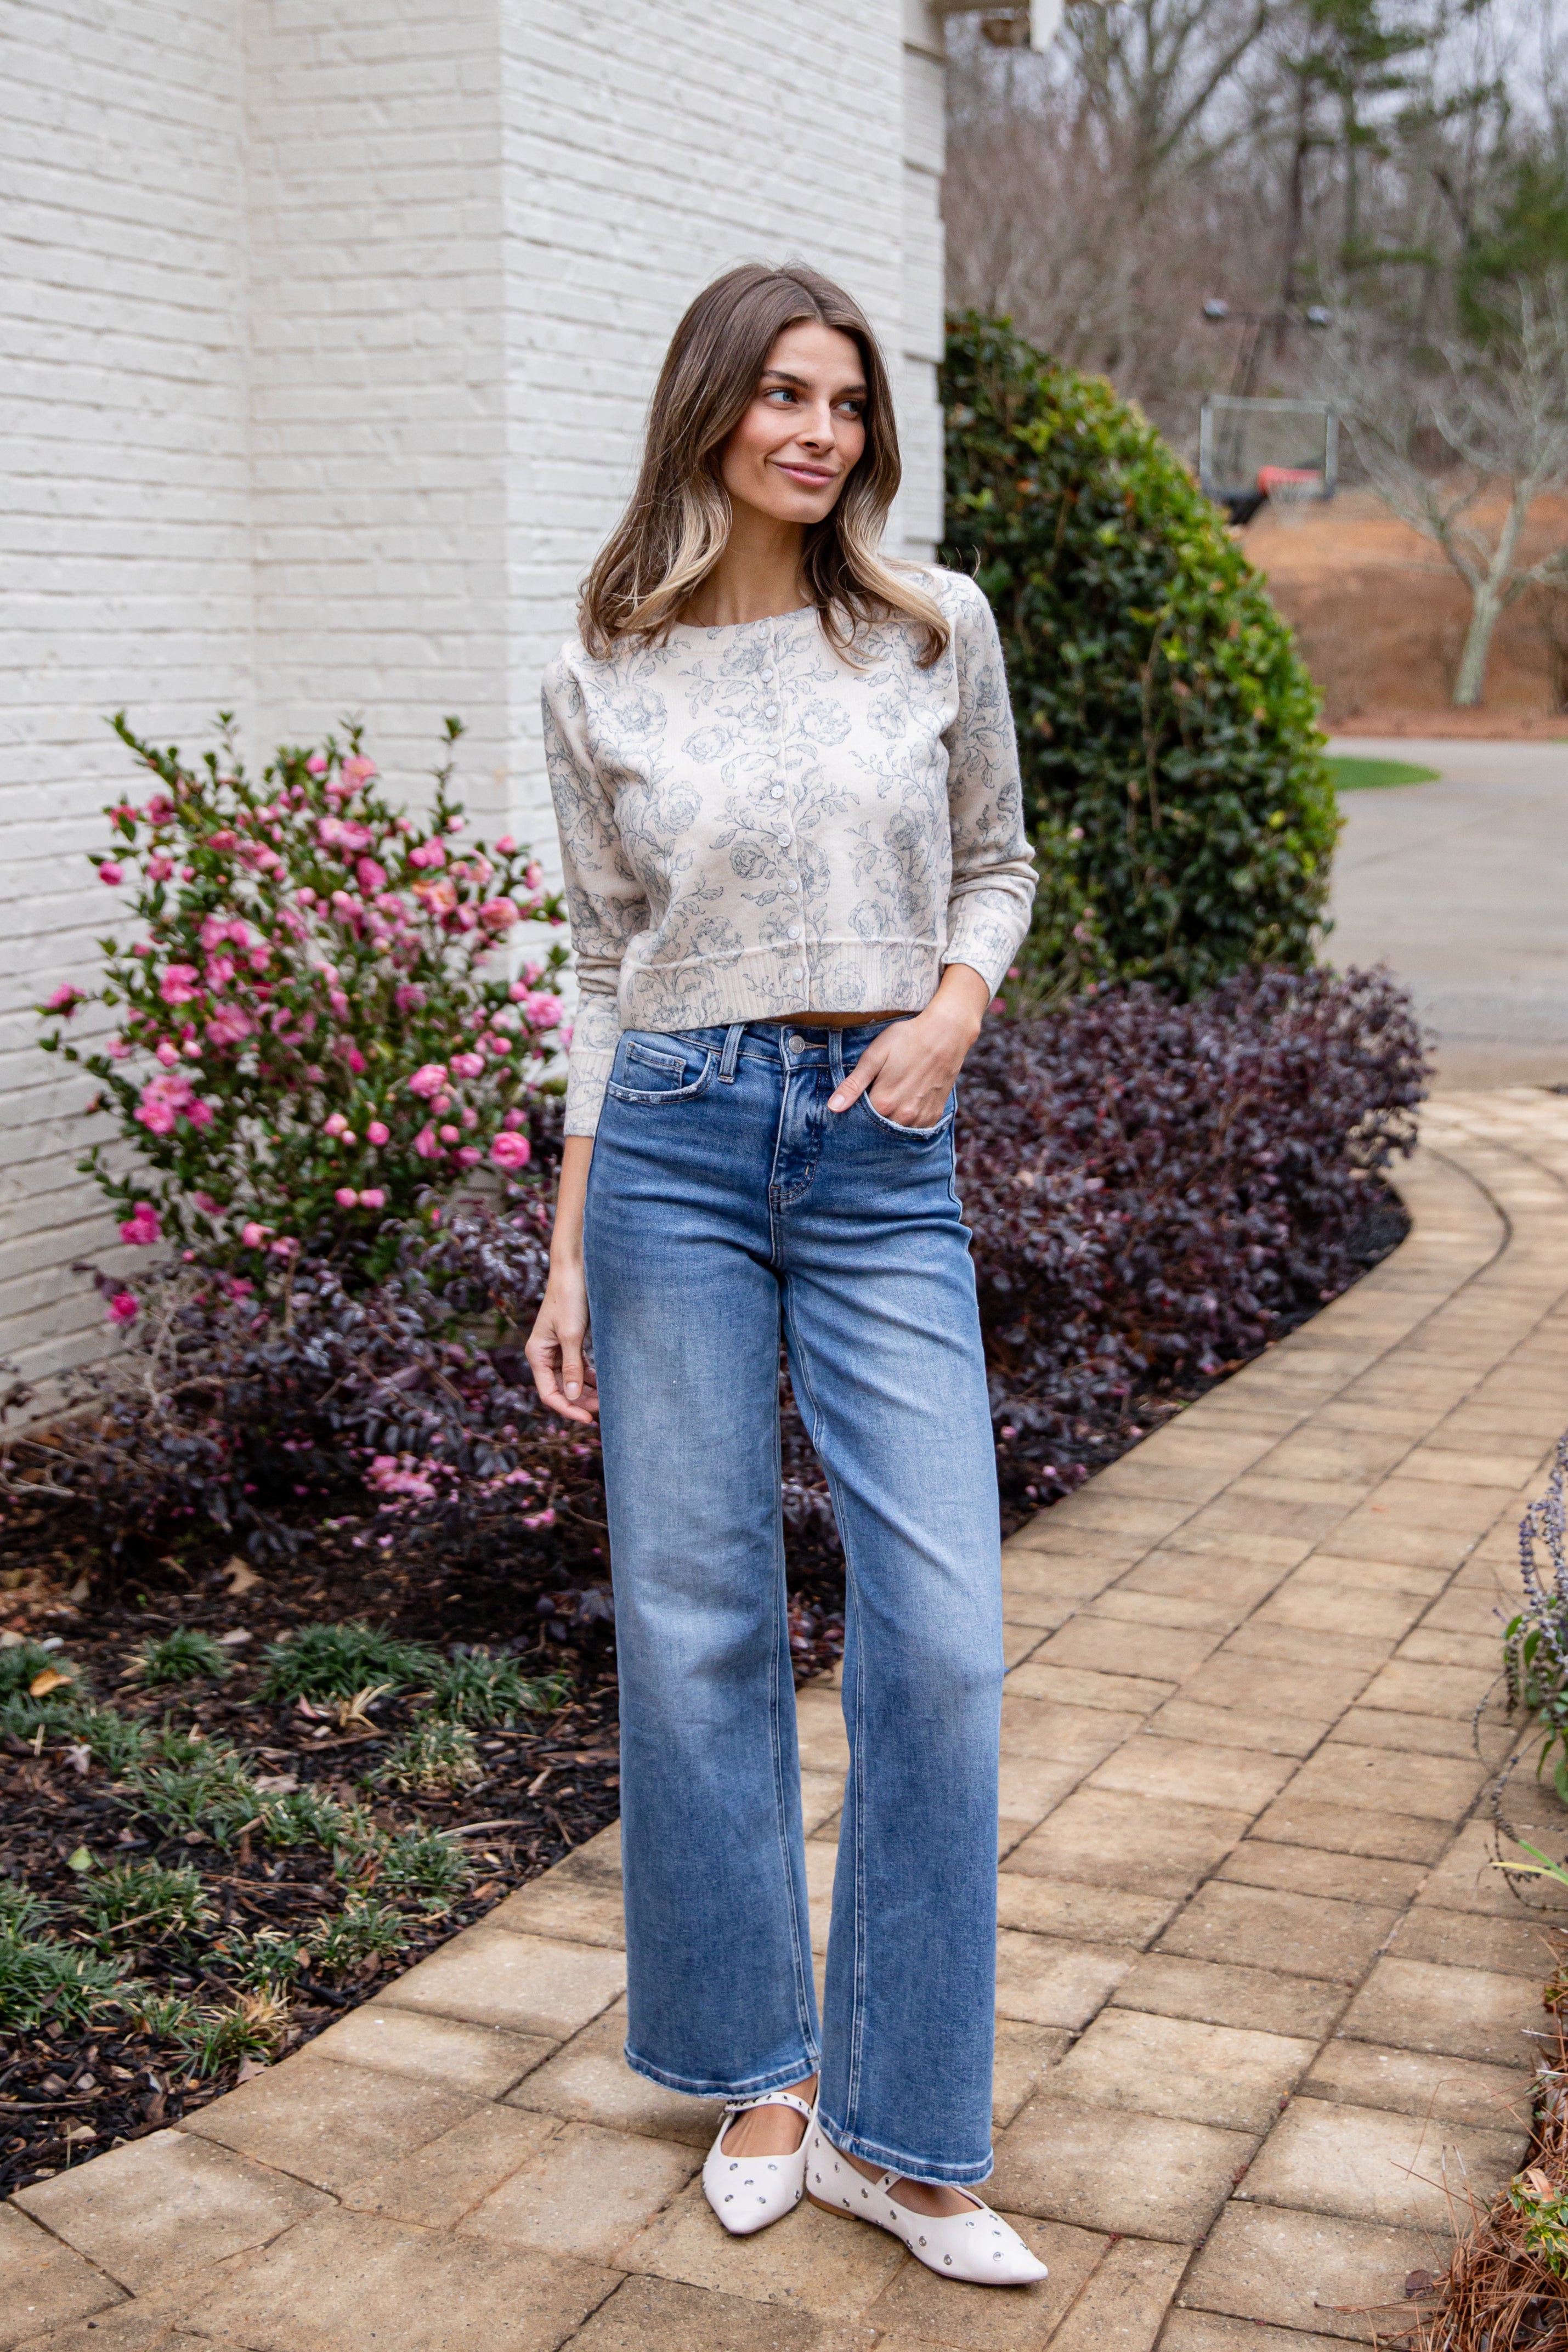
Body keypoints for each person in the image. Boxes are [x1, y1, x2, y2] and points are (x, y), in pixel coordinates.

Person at [525, 261, 1042, 2288]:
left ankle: (907, 2140)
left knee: (939, 1633)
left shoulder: (930, 628)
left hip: (879, 1148)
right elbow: (591, 961)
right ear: (709, 416)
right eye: (781, 396)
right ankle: (758, 2074)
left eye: (843, 401)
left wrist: (950, 1017)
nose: (817, 431)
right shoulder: (604, 663)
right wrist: (565, 1245)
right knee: (696, 1616)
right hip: (664, 1143)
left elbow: (994, 858)